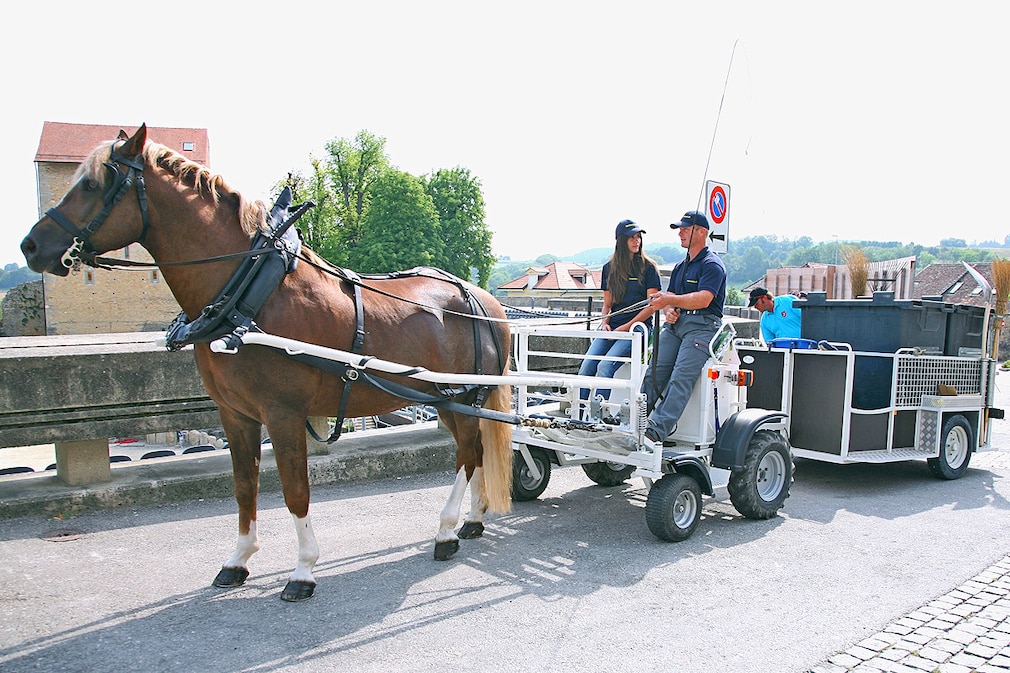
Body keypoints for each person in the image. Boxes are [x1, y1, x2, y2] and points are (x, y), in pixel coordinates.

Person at [641, 210, 726, 444]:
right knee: (653, 372)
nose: (680, 233)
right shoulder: (681, 266)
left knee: (681, 378)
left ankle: (655, 431)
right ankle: (633, 421)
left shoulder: (712, 265)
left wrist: (670, 301)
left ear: (701, 232)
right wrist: (669, 310)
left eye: (685, 229)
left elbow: (704, 299)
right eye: (680, 229)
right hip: (678, 326)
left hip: (702, 326)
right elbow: (672, 299)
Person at [578, 219, 661, 411]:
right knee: (587, 366)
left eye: (638, 237)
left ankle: (596, 416)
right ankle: (579, 413)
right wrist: (605, 322)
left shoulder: (648, 267)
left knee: (605, 367)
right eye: (631, 237)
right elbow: (607, 305)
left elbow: (652, 306)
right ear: (621, 241)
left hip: (638, 328)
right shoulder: (609, 268)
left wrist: (626, 327)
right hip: (613, 327)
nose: (636, 241)